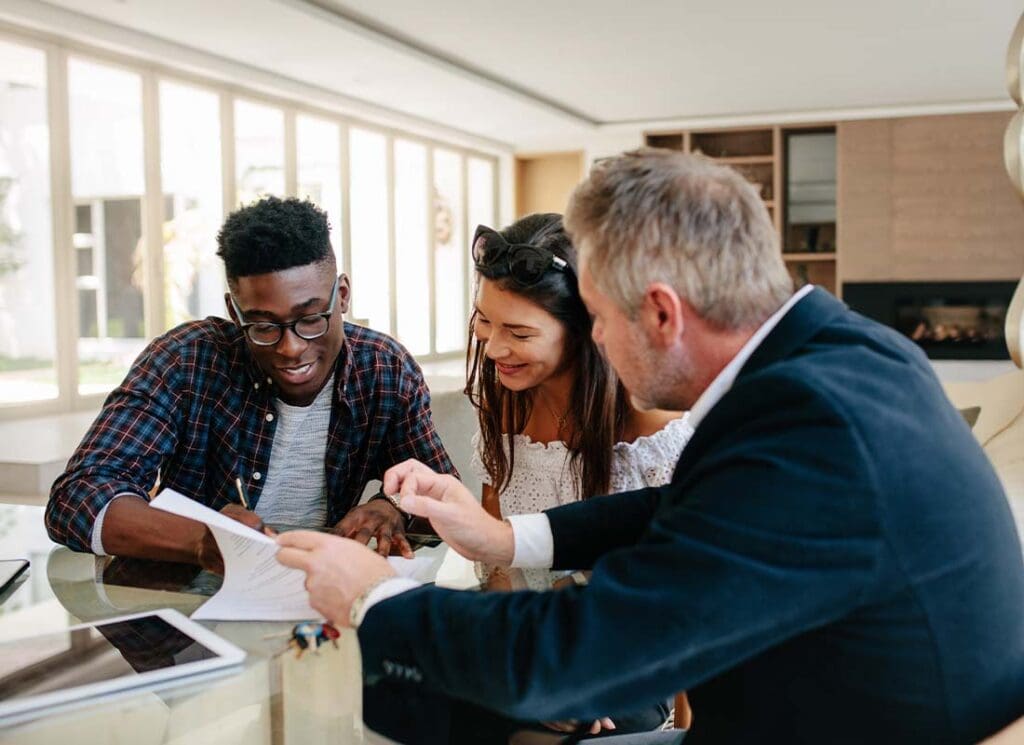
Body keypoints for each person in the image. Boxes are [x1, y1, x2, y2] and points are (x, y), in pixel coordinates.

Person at [276, 151, 1024, 744]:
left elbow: (569, 658)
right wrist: (507, 537)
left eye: (598, 317)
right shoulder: (843, 351)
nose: (596, 340)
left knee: (406, 698)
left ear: (662, 313)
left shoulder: (811, 432)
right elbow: (692, 505)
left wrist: (372, 596)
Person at [47, 196, 456, 573]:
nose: (291, 348)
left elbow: (443, 494)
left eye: (311, 318)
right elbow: (77, 497)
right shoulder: (186, 360)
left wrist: (392, 506)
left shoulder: (384, 369)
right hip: (189, 597)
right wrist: (201, 541)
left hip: (320, 591)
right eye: (263, 326)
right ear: (234, 311)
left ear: (343, 296)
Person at [466, 213, 691, 737]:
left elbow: (686, 594)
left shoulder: (649, 423)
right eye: (484, 321)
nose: (493, 348)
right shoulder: (506, 401)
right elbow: (496, 558)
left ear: (587, 330)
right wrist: (525, 664)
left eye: (519, 332)